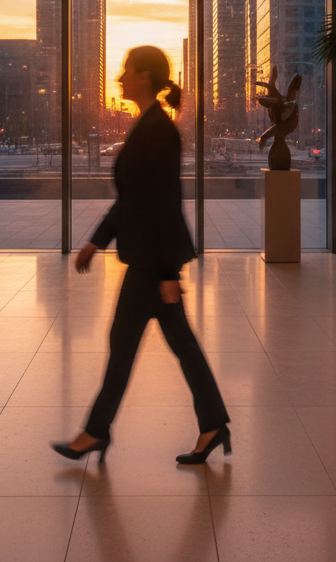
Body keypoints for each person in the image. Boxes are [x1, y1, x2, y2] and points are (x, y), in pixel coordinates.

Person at [52, 46, 231, 466]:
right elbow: (133, 198)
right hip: (150, 262)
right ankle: (211, 425)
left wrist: (170, 272)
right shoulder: (147, 125)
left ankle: (95, 433)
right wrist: (97, 240)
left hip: (153, 267)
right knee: (179, 346)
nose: (120, 78)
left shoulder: (159, 131)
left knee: (129, 348)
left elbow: (166, 203)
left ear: (145, 77)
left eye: (127, 71)